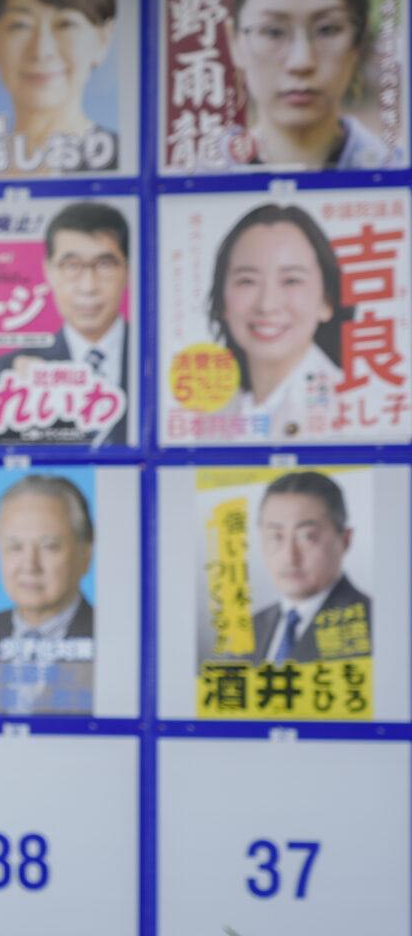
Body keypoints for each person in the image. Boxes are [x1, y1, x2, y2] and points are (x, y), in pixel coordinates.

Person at [0, 201, 131, 445]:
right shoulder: (11, 367)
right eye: (72, 266)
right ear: (49, 271)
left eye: (104, 265)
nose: (88, 286)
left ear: (126, 270)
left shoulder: (156, 358)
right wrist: (30, 399)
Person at [224, 0, 399, 170]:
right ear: (234, 42)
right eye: (273, 32)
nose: (301, 61)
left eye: (327, 30)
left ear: (358, 40)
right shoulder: (202, 176)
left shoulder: (398, 173)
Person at [206, 203, 343, 439]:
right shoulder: (210, 411)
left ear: (327, 301)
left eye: (291, 281)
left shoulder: (350, 410)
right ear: (222, 300)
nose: (267, 304)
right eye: (247, 281)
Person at [0, 475, 95, 715]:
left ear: (85, 554)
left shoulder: (111, 639)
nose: (30, 565)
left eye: (49, 546)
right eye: (15, 547)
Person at [0, 0, 119, 173]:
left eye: (65, 24)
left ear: (103, 38)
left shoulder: (123, 161)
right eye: (20, 25)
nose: (42, 50)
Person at [251, 471, 372, 663]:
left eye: (307, 536)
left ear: (345, 540)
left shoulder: (375, 625)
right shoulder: (250, 628)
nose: (290, 557)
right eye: (276, 536)